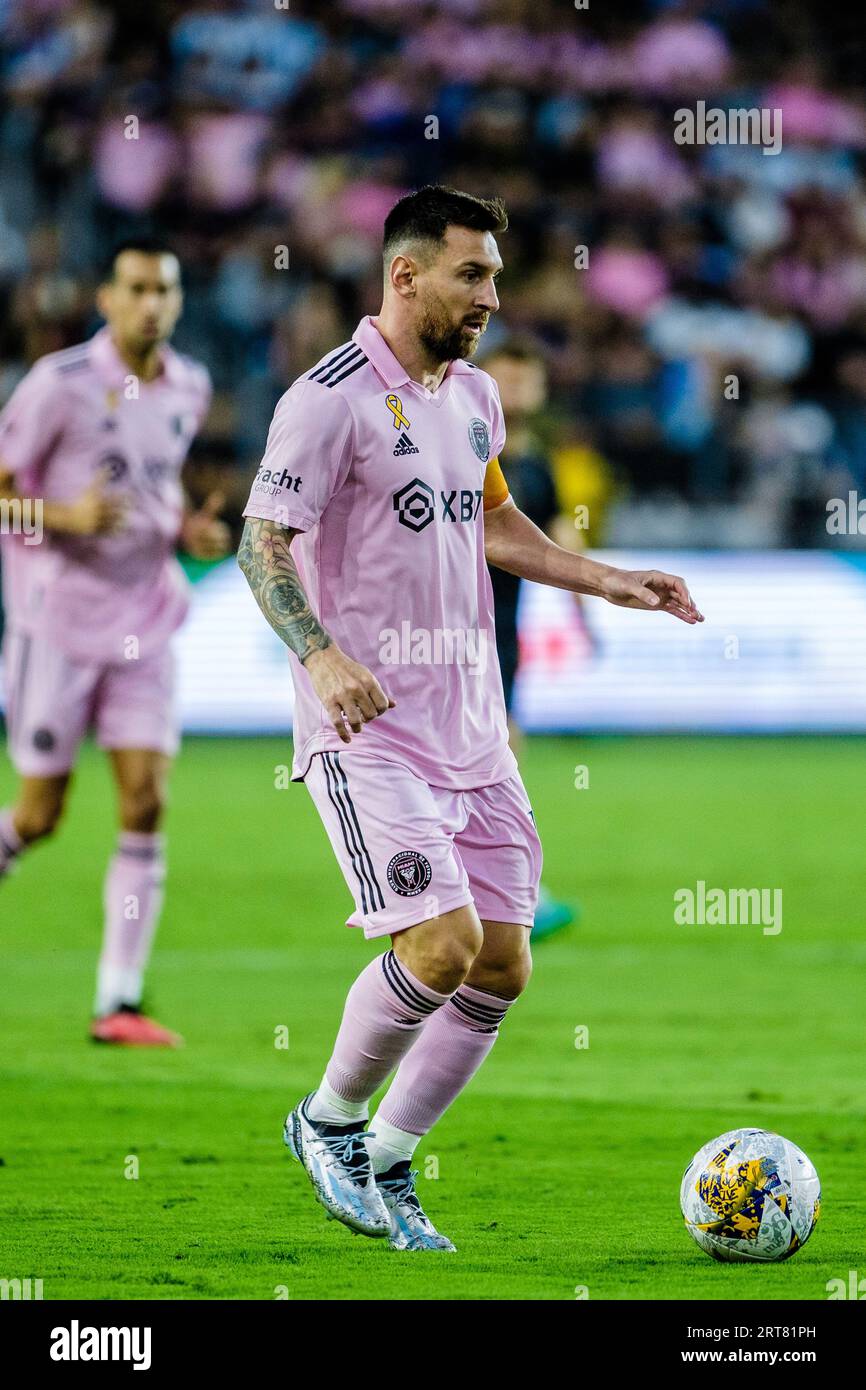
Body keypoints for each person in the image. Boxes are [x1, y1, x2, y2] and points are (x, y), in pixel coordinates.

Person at [238, 185, 703, 1251]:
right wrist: (320, 655)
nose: (492, 294)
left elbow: (491, 519)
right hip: (371, 729)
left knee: (500, 960)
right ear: (405, 276)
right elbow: (259, 545)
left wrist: (603, 578)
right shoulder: (328, 399)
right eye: (472, 274)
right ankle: (326, 1121)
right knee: (438, 944)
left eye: (493, 274)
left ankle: (393, 1163)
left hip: (473, 729)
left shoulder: (474, 397)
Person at [0, 238, 229, 1046]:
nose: (151, 304)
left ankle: (119, 1000)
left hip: (147, 620)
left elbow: (152, 483)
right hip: (56, 623)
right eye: (136, 288)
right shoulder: (57, 387)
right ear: (107, 298)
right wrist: (65, 518)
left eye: (164, 290)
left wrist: (184, 530)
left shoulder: (189, 386)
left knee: (146, 800)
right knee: (39, 815)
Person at [481, 338, 583, 942]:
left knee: (497, 753)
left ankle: (497, 888)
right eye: (506, 379)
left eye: (526, 380)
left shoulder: (541, 464)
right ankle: (518, 892)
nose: (516, 392)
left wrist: (585, 602)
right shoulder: (461, 446)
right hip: (445, 630)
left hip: (505, 629)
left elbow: (562, 538)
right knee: (500, 751)